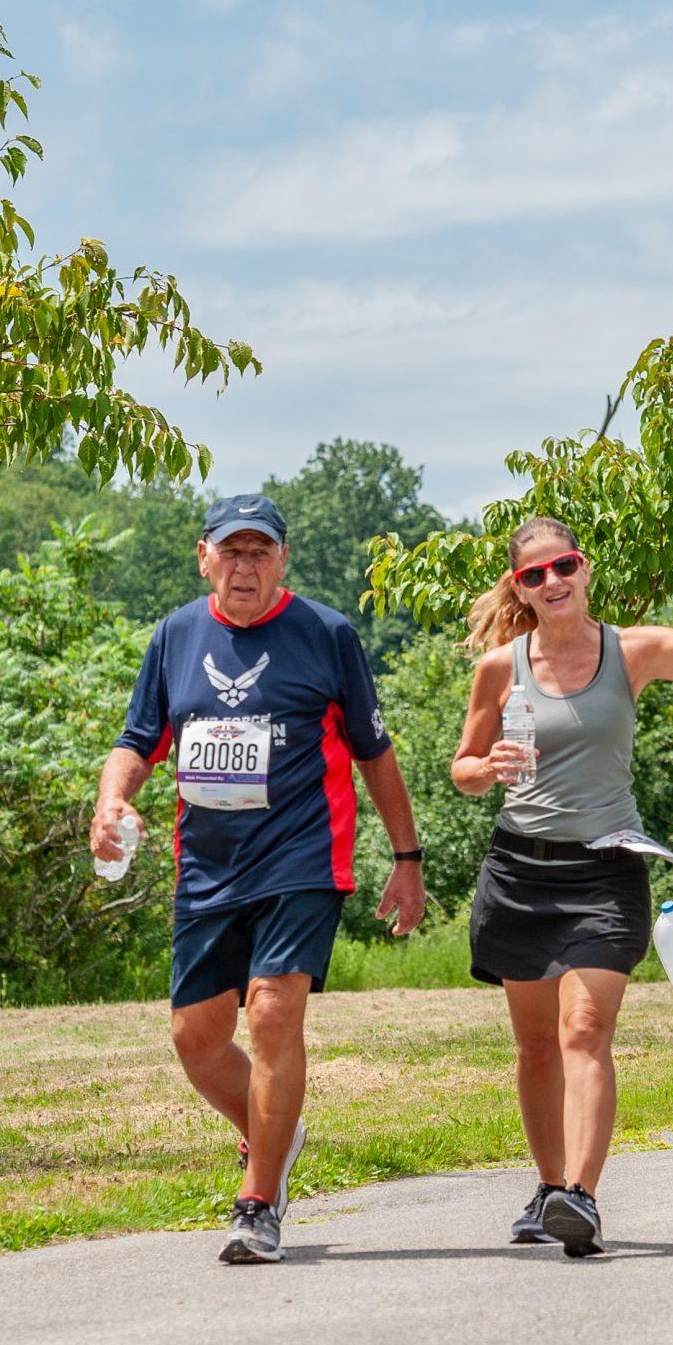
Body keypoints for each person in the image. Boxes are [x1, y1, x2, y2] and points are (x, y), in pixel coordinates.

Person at [453, 492, 673, 1259]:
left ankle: (582, 1194)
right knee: (536, 1045)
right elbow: (463, 767)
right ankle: (548, 1187)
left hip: (604, 872)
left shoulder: (628, 651)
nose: (553, 581)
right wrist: (486, 766)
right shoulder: (497, 669)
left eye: (564, 565)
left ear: (585, 568)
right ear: (520, 587)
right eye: (536, 573)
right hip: (519, 870)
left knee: (585, 1030)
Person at [92, 494, 428, 1267]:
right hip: (208, 866)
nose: (246, 566)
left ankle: (258, 1199)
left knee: (274, 1013)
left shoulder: (325, 634)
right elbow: (138, 739)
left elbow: (376, 753)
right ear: (203, 555)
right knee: (196, 1037)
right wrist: (113, 797)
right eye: (232, 551)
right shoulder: (176, 635)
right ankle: (279, 1126)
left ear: (283, 558)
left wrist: (406, 860)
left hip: (303, 857)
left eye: (260, 552)